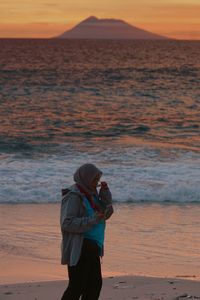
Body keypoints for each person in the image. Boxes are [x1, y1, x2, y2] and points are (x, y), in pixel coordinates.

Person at [60, 163, 114, 300]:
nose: (96, 184)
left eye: (97, 180)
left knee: (94, 286)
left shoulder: (92, 194)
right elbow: (67, 223)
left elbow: (106, 214)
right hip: (81, 246)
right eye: (94, 180)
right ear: (86, 178)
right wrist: (92, 220)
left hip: (94, 246)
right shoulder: (74, 196)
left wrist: (105, 195)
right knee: (77, 286)